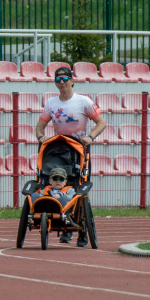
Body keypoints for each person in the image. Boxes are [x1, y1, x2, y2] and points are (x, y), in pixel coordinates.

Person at [35, 65, 105, 246]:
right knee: (58, 185)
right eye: (58, 79)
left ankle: (82, 228)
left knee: (79, 188)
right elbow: (40, 126)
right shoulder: (51, 103)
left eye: (65, 79)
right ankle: (64, 225)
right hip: (58, 149)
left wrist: (90, 137)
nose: (62, 83)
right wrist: (41, 138)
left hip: (79, 149)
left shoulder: (84, 101)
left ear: (72, 81)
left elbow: (101, 122)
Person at [29, 166, 78, 244]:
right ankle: (32, 216)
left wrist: (62, 195)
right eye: (55, 179)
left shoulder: (69, 190)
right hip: (45, 207)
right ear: (50, 181)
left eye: (61, 179)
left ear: (65, 182)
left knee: (64, 198)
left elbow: (73, 199)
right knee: (34, 195)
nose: (58, 181)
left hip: (62, 210)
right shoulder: (45, 189)